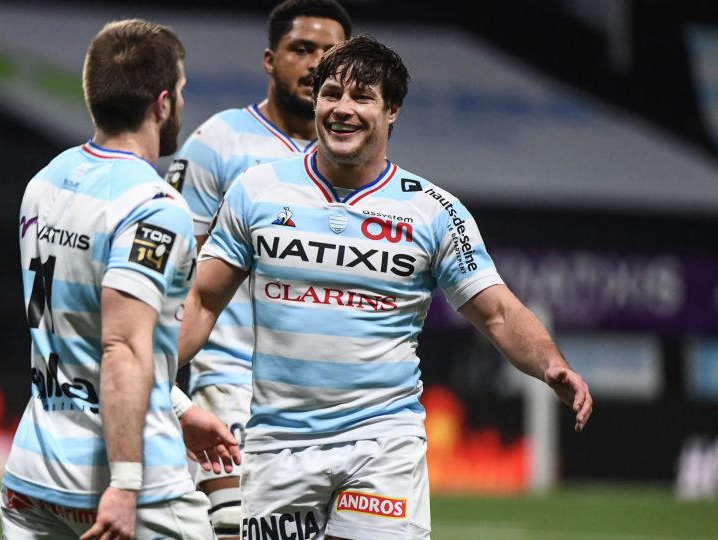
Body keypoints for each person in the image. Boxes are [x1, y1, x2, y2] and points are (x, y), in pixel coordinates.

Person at [179, 34, 594, 539]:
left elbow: (499, 313)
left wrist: (552, 364)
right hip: (278, 448)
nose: (342, 109)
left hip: (381, 444)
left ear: (392, 109)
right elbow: (201, 300)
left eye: (362, 98)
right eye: (331, 94)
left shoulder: (434, 211)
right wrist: (149, 372)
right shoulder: (257, 190)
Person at [0, 19, 240, 540]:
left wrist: (178, 406)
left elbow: (75, 330)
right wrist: (125, 484)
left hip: (33, 477)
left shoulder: (45, 182)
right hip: (128, 480)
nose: (180, 102)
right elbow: (122, 347)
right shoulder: (153, 207)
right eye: (179, 91)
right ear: (161, 103)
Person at [165, 1, 350, 535]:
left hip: (326, 398)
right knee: (235, 529)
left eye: (331, 53)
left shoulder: (356, 158)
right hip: (231, 385)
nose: (317, 63)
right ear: (271, 60)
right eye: (302, 49)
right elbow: (177, 277)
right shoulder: (218, 143)